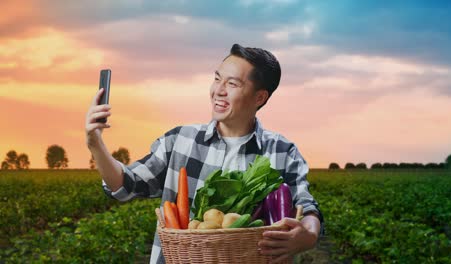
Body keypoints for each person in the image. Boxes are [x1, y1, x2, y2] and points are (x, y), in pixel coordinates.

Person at [85, 44, 323, 264]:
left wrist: (309, 235)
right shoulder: (180, 141)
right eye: (217, 79)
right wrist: (96, 144)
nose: (218, 91)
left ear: (260, 97)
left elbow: (307, 207)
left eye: (232, 84)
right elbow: (127, 184)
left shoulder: (282, 151)